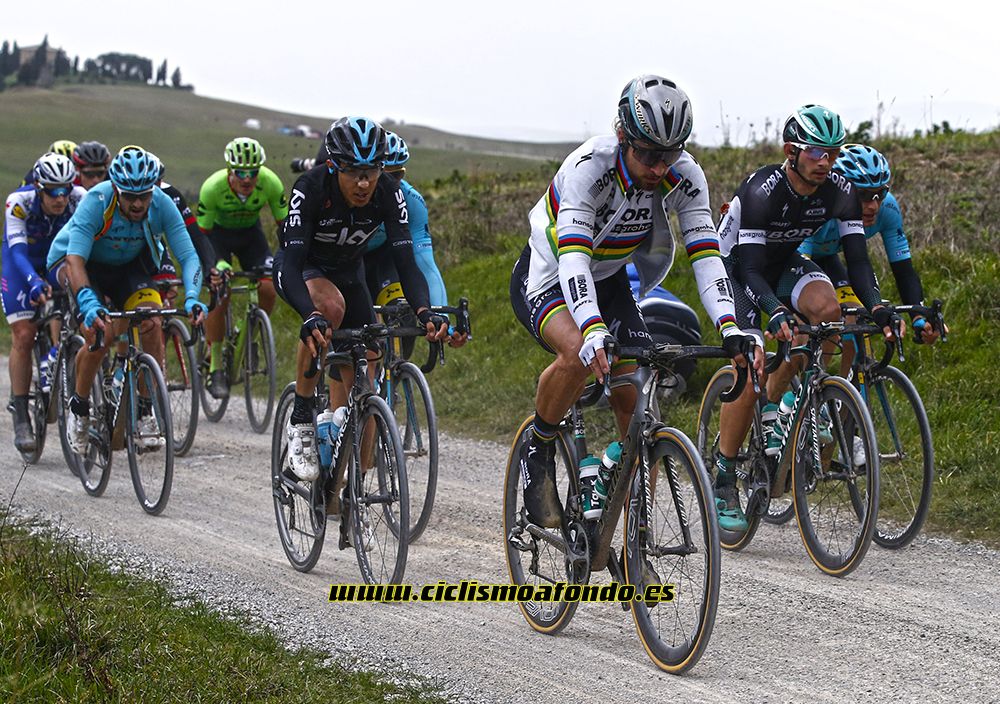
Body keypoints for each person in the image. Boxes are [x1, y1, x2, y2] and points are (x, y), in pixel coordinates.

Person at [509, 74, 760, 529]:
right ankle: (539, 447)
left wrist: (730, 325)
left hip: (609, 280)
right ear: (623, 136)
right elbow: (573, 259)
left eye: (670, 154)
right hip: (550, 273)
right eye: (648, 153)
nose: (660, 167)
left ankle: (630, 532)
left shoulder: (685, 175)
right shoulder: (589, 168)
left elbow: (705, 254)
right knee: (577, 355)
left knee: (635, 388)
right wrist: (591, 329)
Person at [713, 105, 903, 531]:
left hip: (781, 261)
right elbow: (749, 271)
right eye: (816, 152)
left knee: (829, 312)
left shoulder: (840, 191)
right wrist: (775, 310)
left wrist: (878, 307)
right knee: (749, 359)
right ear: (791, 151)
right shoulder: (763, 190)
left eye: (832, 153)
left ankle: (794, 402)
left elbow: (856, 262)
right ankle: (724, 474)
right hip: (734, 268)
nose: (825, 162)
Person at [274, 116, 449, 481]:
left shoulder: (388, 191)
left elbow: (407, 260)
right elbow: (290, 263)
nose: (364, 182)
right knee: (329, 309)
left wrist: (425, 310)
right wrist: (308, 314)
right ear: (335, 166)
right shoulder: (311, 187)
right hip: (302, 269)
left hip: (348, 272)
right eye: (354, 172)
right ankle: (303, 417)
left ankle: (353, 485)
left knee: (371, 361)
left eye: (371, 171)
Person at [46, 146, 205, 454]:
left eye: (143, 195)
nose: (137, 203)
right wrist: (89, 302)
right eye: (129, 196)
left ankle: (145, 411)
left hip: (127, 265)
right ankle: (79, 410)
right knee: (99, 333)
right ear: (116, 189)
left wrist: (194, 297)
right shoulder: (97, 201)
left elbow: (188, 256)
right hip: (78, 263)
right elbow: (75, 261)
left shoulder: (161, 204)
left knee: (151, 319)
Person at [799, 143, 942, 369]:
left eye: (880, 194)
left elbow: (903, 270)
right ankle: (798, 394)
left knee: (858, 317)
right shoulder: (818, 208)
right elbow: (800, 265)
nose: (873, 205)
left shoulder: (888, 210)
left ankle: (846, 397)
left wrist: (918, 316)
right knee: (820, 321)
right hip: (797, 258)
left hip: (828, 259)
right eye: (863, 195)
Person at [2, 154, 86, 451]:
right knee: (24, 334)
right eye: (53, 190)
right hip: (21, 263)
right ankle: (22, 414)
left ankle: (58, 354)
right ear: (38, 187)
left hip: (57, 260)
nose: (61, 197)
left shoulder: (81, 198)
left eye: (65, 189)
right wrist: (33, 282)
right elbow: (17, 252)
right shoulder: (19, 202)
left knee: (73, 304)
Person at [197, 137, 287, 400]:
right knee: (221, 290)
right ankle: (215, 366)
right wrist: (215, 265)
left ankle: (251, 333)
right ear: (229, 171)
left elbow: (286, 227)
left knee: (269, 287)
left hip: (251, 237)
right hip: (218, 239)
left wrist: (288, 259)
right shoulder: (212, 188)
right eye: (241, 173)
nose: (247, 180)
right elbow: (202, 236)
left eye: (253, 173)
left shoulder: (271, 183)